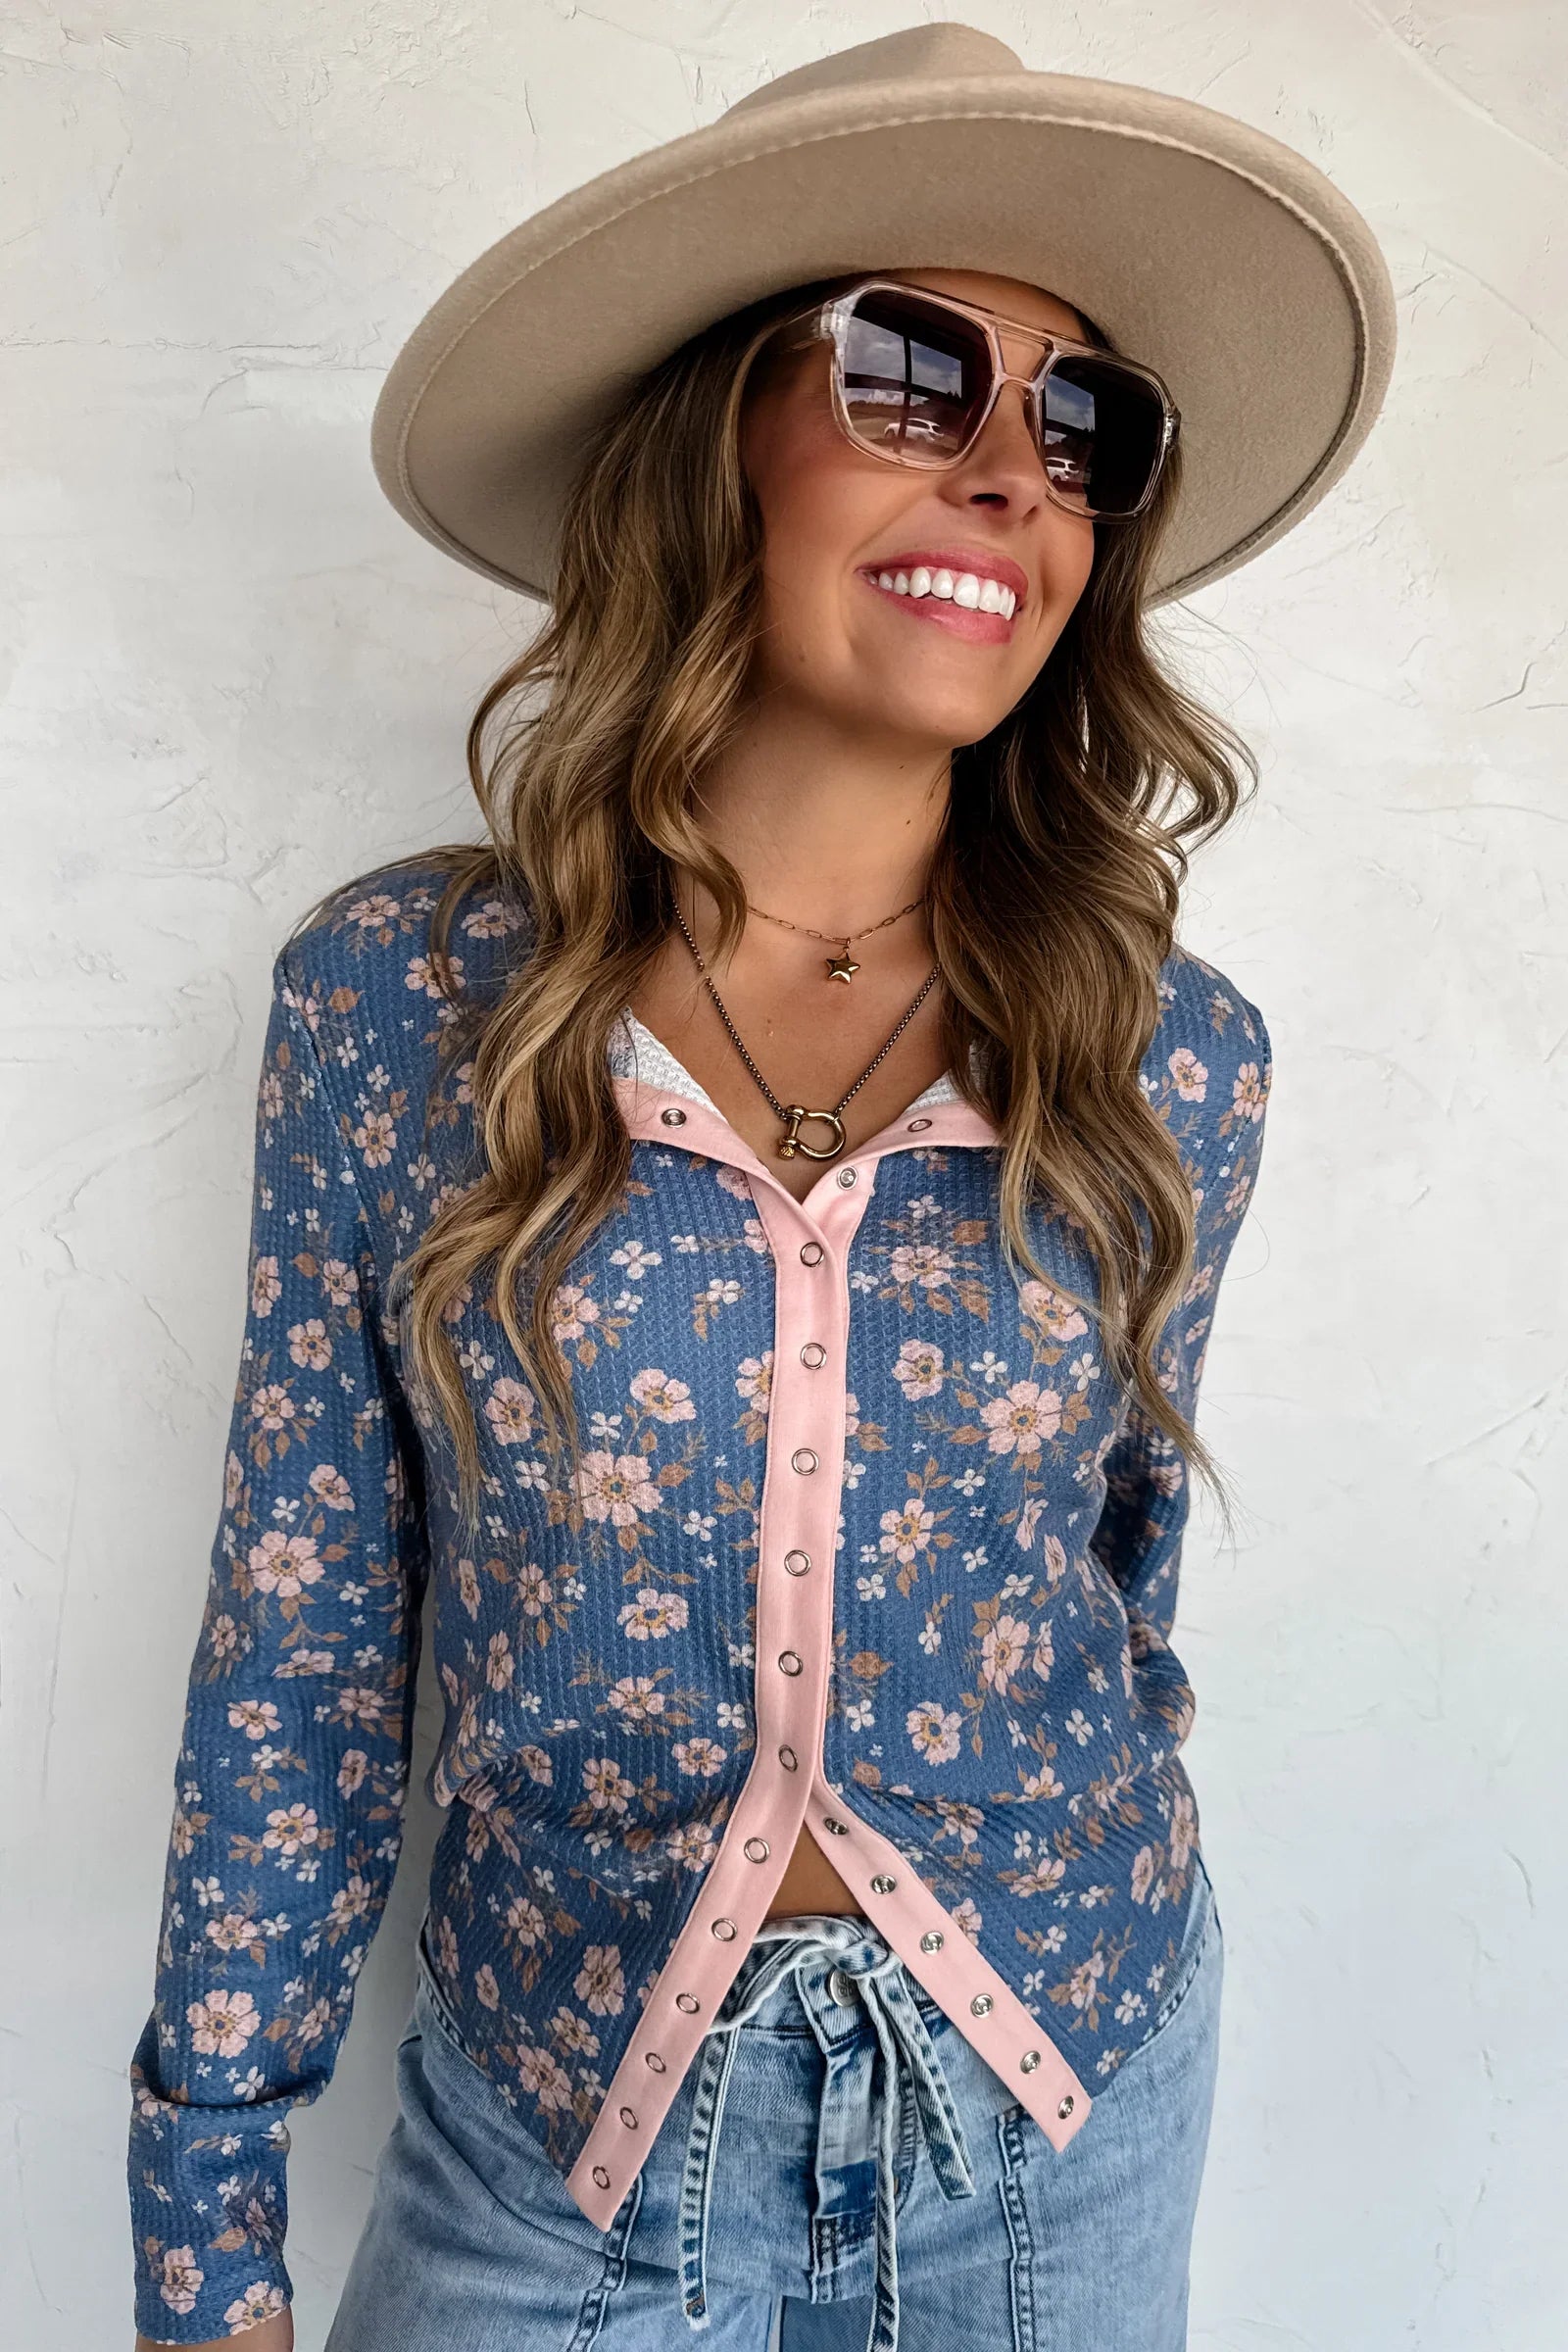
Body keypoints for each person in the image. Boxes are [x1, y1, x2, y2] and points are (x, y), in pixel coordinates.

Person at [125, 23, 1395, 2352]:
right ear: (710, 437)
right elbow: (305, 1636)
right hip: (558, 2150)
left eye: (1083, 425)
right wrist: (206, 2218)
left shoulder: (1164, 1052)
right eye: (909, 372)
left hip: (1061, 2105)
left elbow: (1115, 1587)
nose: (1009, 471)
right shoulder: (401, 1005)